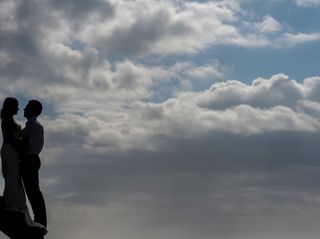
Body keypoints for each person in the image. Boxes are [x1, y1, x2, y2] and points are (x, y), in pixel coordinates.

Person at [0, 97, 33, 225]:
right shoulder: (7, 121)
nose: (18, 109)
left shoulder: (9, 120)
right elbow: (11, 140)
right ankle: (10, 203)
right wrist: (23, 146)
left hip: (11, 151)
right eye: (16, 106)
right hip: (9, 151)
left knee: (14, 178)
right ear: (11, 107)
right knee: (12, 177)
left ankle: (15, 203)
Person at [20, 100, 47, 228]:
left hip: (30, 160)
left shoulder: (36, 126)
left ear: (32, 110)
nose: (24, 109)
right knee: (31, 191)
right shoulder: (30, 126)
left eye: (27, 107)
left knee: (33, 191)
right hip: (28, 160)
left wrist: (17, 142)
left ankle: (40, 219)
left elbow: (33, 147)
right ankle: (38, 218)